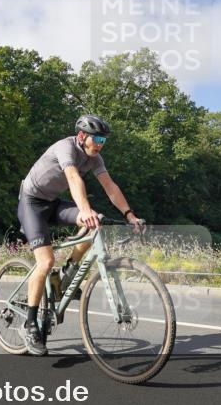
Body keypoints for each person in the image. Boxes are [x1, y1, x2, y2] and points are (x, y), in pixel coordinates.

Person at [16, 114, 143, 356]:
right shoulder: (65, 148)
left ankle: (69, 272)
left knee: (95, 224)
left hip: (53, 202)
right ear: (82, 136)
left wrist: (129, 214)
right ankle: (30, 323)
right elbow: (73, 178)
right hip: (32, 202)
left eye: (103, 141)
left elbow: (111, 187)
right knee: (46, 261)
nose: (100, 145)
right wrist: (84, 210)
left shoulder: (95, 158)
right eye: (96, 139)